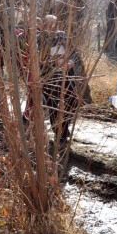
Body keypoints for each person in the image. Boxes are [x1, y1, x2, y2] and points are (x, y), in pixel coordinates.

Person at [39, 15, 80, 144]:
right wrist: (54, 61)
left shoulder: (62, 35)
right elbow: (40, 58)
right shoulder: (40, 38)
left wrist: (71, 61)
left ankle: (65, 127)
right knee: (54, 104)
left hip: (67, 74)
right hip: (51, 76)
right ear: (44, 24)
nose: (52, 26)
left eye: (55, 23)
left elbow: (73, 51)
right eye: (49, 23)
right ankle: (58, 132)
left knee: (72, 100)